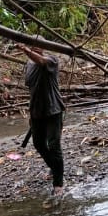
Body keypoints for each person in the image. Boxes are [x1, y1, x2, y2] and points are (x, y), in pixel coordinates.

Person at [21, 44, 65, 199]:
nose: (34, 49)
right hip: (36, 110)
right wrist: (30, 113)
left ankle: (58, 184)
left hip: (53, 109)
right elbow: (31, 88)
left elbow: (42, 61)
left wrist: (26, 50)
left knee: (54, 145)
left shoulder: (51, 60)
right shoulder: (29, 64)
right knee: (39, 144)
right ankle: (55, 167)